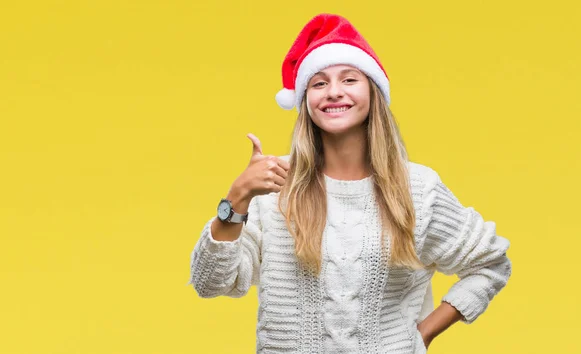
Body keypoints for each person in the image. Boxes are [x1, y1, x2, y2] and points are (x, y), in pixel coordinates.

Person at [187, 13, 512, 354]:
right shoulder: (273, 185)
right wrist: (237, 197)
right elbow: (210, 283)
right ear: (305, 101)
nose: (334, 92)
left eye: (349, 79)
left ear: (372, 91)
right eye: (319, 83)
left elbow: (490, 264)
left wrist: (423, 333)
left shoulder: (417, 189)